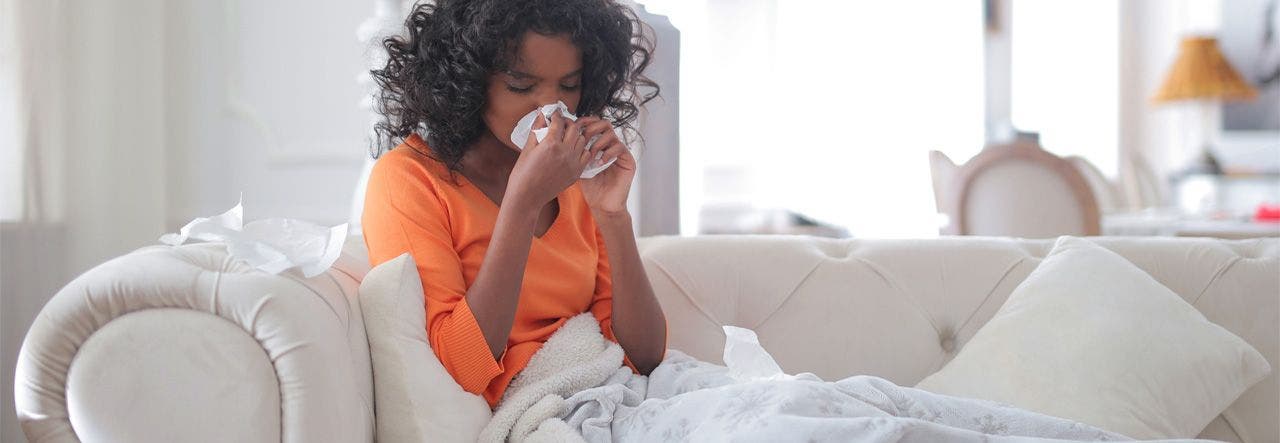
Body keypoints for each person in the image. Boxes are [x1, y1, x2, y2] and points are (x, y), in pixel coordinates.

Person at [361, 0, 667, 409]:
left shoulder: (575, 175)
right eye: (521, 86)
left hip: (610, 395)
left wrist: (613, 216)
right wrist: (523, 204)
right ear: (467, 82)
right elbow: (460, 368)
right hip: (542, 411)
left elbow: (645, 357)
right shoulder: (408, 180)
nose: (548, 106)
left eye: (570, 85)